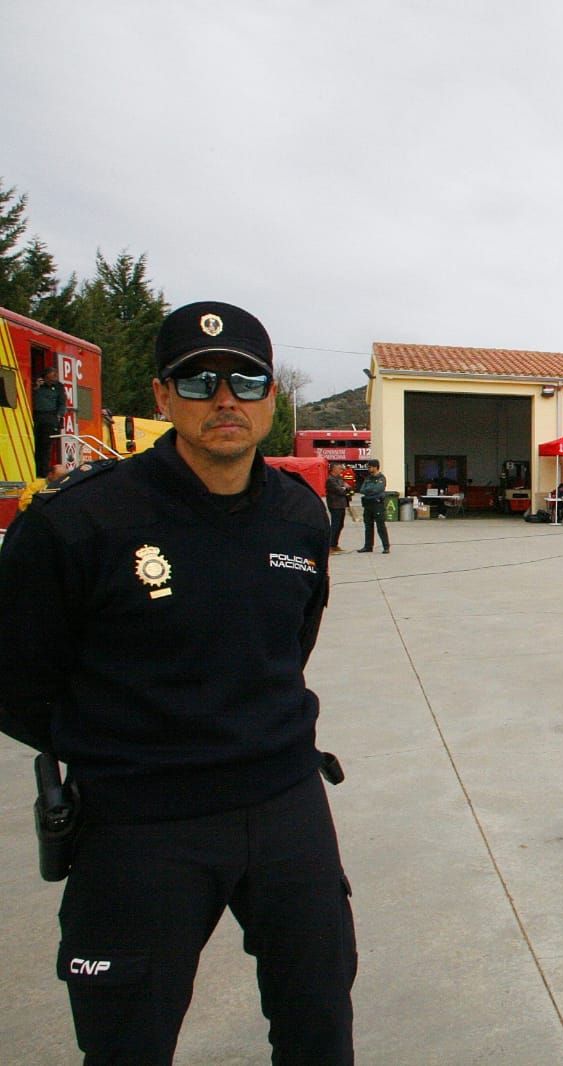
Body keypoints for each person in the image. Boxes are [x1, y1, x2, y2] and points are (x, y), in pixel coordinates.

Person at [0, 300, 356, 1062]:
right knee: (127, 1042)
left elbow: (288, 645)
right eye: (197, 382)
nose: (224, 399)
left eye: (245, 379)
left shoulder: (299, 515)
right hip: (141, 828)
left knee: (319, 1022)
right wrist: (131, 746)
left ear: (268, 395)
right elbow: (17, 682)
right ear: (162, 397)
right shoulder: (82, 522)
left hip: (286, 807)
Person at [32, 364, 68, 477]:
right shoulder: (38, 385)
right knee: (35, 444)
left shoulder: (58, 387)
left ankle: (43, 473)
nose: (54, 379)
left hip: (50, 417)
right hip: (37, 416)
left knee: (46, 446)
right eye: (51, 377)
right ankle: (34, 469)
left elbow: (62, 403)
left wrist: (58, 416)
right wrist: (36, 386)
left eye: (55, 376)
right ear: (45, 377)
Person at [357, 459, 390, 552]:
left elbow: (378, 489)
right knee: (368, 526)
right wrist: (370, 490)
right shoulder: (368, 478)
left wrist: (369, 490)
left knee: (380, 526)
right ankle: (368, 546)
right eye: (368, 467)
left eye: (370, 467)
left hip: (377, 504)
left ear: (376, 467)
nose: (369, 469)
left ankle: (386, 547)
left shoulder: (381, 478)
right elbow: (362, 489)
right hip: (368, 505)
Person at [325, 462, 352, 552]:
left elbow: (348, 487)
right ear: (334, 469)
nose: (341, 470)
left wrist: (345, 488)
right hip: (335, 505)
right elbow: (339, 490)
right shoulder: (330, 479)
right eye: (339, 468)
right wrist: (344, 488)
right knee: (335, 525)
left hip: (342, 504)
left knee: (340, 525)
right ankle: (329, 545)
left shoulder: (339, 478)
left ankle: (334, 544)